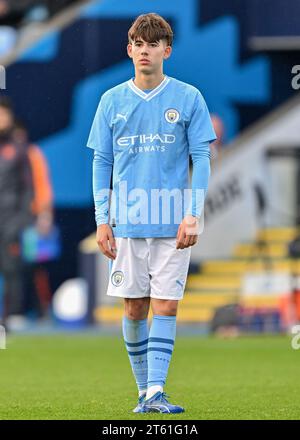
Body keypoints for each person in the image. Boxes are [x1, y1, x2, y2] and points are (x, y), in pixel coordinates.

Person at [87, 13, 216, 414]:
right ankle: (145, 393)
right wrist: (101, 219)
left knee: (168, 305)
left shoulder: (189, 97)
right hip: (126, 223)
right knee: (133, 307)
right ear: (130, 50)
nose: (145, 51)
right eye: (138, 44)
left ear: (167, 50)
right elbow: (101, 162)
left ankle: (155, 391)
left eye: (153, 44)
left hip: (172, 222)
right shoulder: (111, 101)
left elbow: (201, 157)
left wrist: (193, 213)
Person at [0, 96, 33, 327]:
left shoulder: (19, 148)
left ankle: (11, 317)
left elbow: (28, 187)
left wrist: (22, 220)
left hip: (11, 219)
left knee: (11, 268)